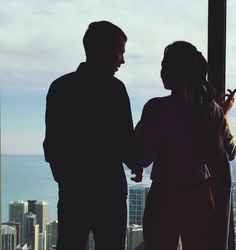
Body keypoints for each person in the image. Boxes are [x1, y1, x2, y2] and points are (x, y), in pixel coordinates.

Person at [42, 20, 143, 250]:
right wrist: (135, 163)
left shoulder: (60, 87)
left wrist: (66, 179)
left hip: (73, 191)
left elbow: (52, 145)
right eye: (120, 52)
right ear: (106, 51)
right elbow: (125, 140)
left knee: (70, 244)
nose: (123, 60)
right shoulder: (116, 90)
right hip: (109, 192)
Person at [135, 41, 236, 250]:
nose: (161, 71)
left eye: (164, 65)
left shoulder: (156, 109)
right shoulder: (211, 110)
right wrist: (224, 114)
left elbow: (143, 157)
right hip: (199, 197)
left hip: (163, 196)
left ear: (174, 71)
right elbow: (230, 153)